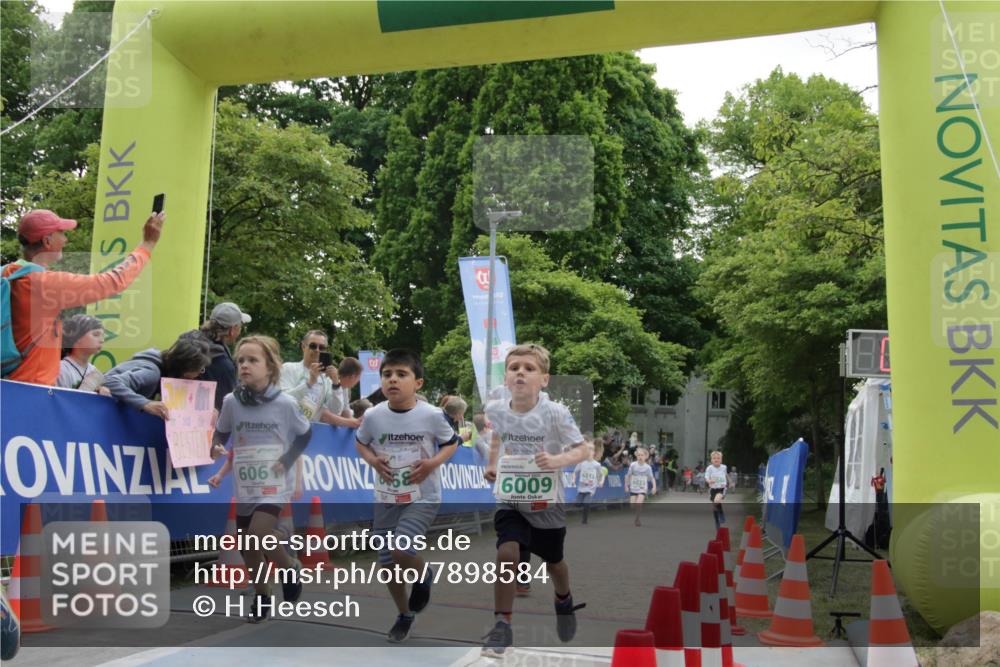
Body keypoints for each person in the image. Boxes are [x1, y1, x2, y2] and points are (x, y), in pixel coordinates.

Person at [482, 343, 588, 658]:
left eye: (529, 369)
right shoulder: (496, 409)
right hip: (511, 498)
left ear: (544, 379)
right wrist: (492, 461)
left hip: (546, 503)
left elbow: (582, 449)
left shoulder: (555, 412)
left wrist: (557, 461)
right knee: (507, 553)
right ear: (506, 378)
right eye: (514, 368)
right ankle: (502, 624)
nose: (520, 373)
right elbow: (499, 434)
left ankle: (563, 599)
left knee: (555, 563)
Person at [353, 349, 460, 643]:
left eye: (402, 374)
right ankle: (404, 615)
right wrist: (373, 461)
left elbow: (452, 443)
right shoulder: (373, 416)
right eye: (387, 374)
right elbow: (360, 443)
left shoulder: (432, 415)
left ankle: (424, 576)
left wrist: (432, 464)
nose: (393, 380)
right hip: (387, 496)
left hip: (423, 495)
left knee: (402, 550)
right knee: (387, 563)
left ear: (418, 383)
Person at [208, 336, 312, 622]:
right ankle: (263, 595)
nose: (244, 365)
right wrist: (217, 445)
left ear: (270, 367)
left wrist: (287, 459)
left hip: (275, 483)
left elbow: (305, 435)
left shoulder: (286, 403)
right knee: (247, 547)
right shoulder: (231, 401)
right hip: (245, 483)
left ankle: (290, 566)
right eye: (240, 360)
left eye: (252, 360)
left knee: (258, 535)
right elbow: (222, 432)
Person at [2, 208, 164, 385]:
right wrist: (147, 245)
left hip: (9, 383)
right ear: (47, 241)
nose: (66, 239)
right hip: (32, 388)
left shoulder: (7, 273)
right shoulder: (43, 283)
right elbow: (112, 281)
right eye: (61, 233)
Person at [102, 337, 211, 419]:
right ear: (184, 368)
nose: (198, 374)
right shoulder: (152, 373)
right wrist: (146, 403)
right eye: (199, 369)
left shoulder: (164, 370)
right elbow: (109, 381)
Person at [179, 302, 251, 410]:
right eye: (239, 326)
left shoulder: (185, 343)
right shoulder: (222, 364)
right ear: (232, 330)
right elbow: (227, 405)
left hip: (175, 415)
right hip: (204, 422)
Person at [280, 330, 359, 428]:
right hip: (287, 428)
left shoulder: (326, 379)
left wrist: (336, 384)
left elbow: (335, 410)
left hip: (312, 432)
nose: (317, 350)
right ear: (303, 347)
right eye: (313, 346)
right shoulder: (289, 368)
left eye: (321, 347)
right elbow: (282, 401)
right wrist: (309, 383)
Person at [56, 314, 110, 394]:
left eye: (102, 336)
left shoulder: (94, 371)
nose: (102, 340)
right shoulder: (61, 370)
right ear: (76, 337)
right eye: (96, 334)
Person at [573, 441, 605, 525]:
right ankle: (580, 505)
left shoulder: (597, 465)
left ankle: (584, 519)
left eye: (591, 450)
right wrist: (573, 480)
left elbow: (601, 475)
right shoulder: (581, 463)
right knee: (577, 504)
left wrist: (601, 481)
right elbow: (575, 472)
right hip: (581, 489)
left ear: (593, 453)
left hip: (590, 489)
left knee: (586, 503)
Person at [625, 446, 657, 527]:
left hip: (642, 488)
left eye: (642, 455)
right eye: (638, 455)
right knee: (632, 505)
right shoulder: (633, 465)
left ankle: (637, 518)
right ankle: (636, 515)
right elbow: (628, 476)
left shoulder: (648, 467)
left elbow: (652, 478)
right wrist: (626, 486)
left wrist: (654, 487)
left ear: (646, 457)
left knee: (638, 503)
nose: (640, 457)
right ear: (636, 456)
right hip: (633, 488)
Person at [705, 450, 730, 529]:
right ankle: (717, 521)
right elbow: (706, 477)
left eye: (718, 458)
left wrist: (729, 481)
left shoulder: (724, 467)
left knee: (717, 500)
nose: (716, 460)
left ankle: (721, 514)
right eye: (714, 458)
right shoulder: (709, 468)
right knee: (715, 506)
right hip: (713, 489)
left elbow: (725, 475)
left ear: (721, 460)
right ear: (711, 460)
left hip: (721, 488)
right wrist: (709, 481)